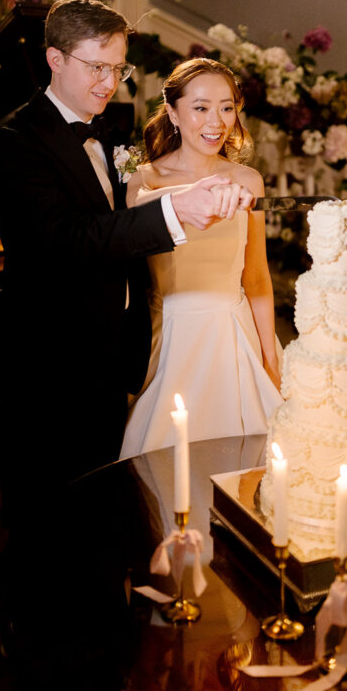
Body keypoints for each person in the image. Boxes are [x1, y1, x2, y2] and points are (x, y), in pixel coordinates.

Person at [0, 0, 255, 681]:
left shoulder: (110, 133)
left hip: (111, 352)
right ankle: (30, 641)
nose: (108, 83)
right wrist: (174, 213)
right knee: (45, 507)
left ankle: (99, 626)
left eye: (118, 69)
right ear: (55, 60)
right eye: (96, 67)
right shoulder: (14, 139)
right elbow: (67, 241)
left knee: (99, 501)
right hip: (51, 359)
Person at [120, 58, 283, 459]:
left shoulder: (248, 181)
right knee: (165, 463)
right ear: (172, 113)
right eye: (201, 107)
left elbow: (257, 279)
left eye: (227, 107)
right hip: (170, 339)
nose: (217, 121)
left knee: (254, 465)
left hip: (235, 336)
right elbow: (134, 221)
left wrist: (270, 360)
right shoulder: (143, 180)